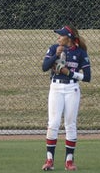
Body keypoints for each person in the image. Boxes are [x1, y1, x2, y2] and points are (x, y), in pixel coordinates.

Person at [41, 26, 92, 171]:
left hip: (72, 89)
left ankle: (69, 161)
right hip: (56, 87)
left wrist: (69, 73)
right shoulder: (54, 48)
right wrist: (55, 56)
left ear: (68, 37)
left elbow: (87, 77)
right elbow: (44, 67)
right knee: (54, 123)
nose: (58, 38)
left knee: (70, 124)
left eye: (61, 35)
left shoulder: (80, 53)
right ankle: (49, 160)